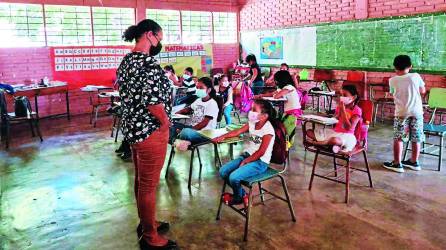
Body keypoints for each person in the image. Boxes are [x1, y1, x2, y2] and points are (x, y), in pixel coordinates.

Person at [117, 19, 178, 249]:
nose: (159, 43)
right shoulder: (149, 64)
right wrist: (164, 124)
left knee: (141, 182)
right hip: (151, 132)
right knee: (149, 185)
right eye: (159, 38)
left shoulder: (126, 61)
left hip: (133, 130)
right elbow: (153, 103)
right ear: (149, 35)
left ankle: (147, 222)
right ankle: (151, 237)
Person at [213, 100, 276, 205]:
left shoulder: (268, 130)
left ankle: (238, 198)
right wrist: (222, 136)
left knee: (233, 177)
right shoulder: (252, 123)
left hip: (260, 162)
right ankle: (242, 195)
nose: (251, 112)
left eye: (254, 110)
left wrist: (247, 161)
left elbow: (261, 152)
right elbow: (238, 131)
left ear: (264, 116)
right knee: (223, 171)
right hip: (248, 156)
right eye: (251, 109)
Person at [383, 55, 426, 173]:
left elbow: (392, 94)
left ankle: (397, 163)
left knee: (399, 138)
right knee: (416, 138)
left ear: (395, 67)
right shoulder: (416, 76)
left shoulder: (392, 80)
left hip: (401, 113)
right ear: (410, 66)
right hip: (417, 112)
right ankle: (414, 162)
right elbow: (422, 91)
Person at [306, 85, 362, 153]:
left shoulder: (357, 110)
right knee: (309, 132)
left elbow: (349, 128)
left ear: (354, 97)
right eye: (341, 95)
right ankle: (333, 146)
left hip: (347, 136)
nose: (342, 97)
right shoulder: (339, 107)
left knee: (334, 140)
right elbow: (335, 119)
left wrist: (343, 111)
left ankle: (319, 143)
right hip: (335, 132)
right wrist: (324, 119)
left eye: (345, 95)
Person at [170, 77, 220, 146]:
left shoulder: (212, 104)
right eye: (197, 87)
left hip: (204, 132)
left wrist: (189, 129)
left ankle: (178, 140)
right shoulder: (198, 100)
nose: (198, 90)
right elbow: (188, 109)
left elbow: (203, 124)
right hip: (192, 128)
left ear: (208, 90)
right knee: (171, 125)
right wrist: (175, 114)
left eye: (201, 88)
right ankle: (176, 141)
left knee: (186, 132)